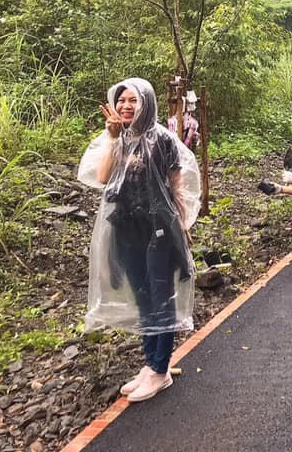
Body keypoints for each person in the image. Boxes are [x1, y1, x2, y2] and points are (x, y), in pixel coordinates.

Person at [78, 78, 200, 403]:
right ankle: (150, 364)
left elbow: (177, 185)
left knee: (162, 296)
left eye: (133, 100)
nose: (126, 106)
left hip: (159, 228)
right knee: (143, 296)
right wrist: (114, 140)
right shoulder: (117, 136)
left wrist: (184, 223)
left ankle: (160, 371)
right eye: (122, 100)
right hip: (126, 227)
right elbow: (104, 179)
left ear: (147, 102)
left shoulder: (162, 139)